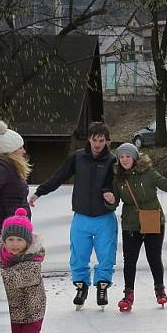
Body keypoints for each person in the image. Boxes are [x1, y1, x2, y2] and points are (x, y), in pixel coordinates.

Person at [29, 121, 117, 310]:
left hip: (104, 217)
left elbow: (119, 186)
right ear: (89, 139)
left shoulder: (112, 160)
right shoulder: (78, 158)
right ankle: (81, 286)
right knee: (78, 254)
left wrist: (113, 196)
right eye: (94, 140)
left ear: (106, 141)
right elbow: (59, 176)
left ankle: (102, 286)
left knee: (107, 254)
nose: (97, 144)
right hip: (82, 216)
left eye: (101, 140)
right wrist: (40, 192)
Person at [106, 143, 167, 311]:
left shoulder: (148, 173)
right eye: (121, 157)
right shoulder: (118, 178)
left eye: (128, 156)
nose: (125, 159)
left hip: (152, 218)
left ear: (134, 157)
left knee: (154, 257)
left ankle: (160, 290)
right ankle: (128, 294)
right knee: (130, 260)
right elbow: (114, 203)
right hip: (130, 223)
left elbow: (163, 182)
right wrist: (110, 201)